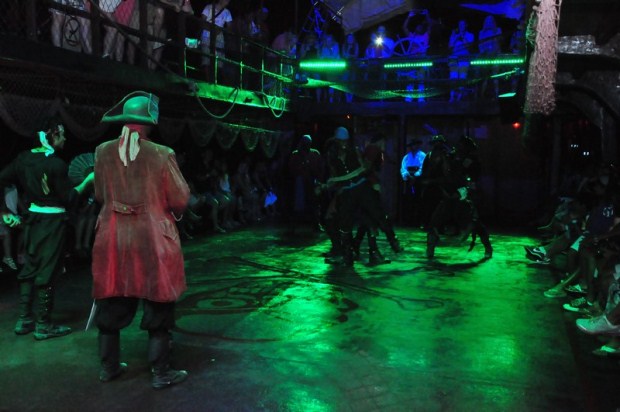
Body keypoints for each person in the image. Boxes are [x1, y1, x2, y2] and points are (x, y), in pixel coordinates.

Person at [91, 91, 190, 389]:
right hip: (152, 240)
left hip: (112, 239)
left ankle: (109, 368)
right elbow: (180, 199)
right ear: (149, 123)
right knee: (158, 303)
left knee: (111, 298)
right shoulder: (161, 153)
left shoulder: (102, 151)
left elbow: (99, 195)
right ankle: (161, 373)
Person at [0, 119, 94, 339]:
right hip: (52, 224)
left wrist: (4, 212)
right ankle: (43, 324)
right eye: (61, 134)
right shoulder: (55, 165)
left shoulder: (23, 159)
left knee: (30, 268)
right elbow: (69, 198)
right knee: (48, 271)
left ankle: (24, 319)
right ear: (51, 136)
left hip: (32, 221)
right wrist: (87, 181)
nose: (65, 138)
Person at [201, 0, 233, 83]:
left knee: (219, 60)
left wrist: (220, 30)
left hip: (219, 36)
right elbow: (202, 21)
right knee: (206, 58)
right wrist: (211, 30)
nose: (228, 2)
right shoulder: (208, 7)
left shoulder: (227, 12)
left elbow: (230, 27)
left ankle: (216, 80)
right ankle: (208, 80)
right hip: (207, 34)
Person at [400, 138, 427, 226]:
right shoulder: (407, 156)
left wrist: (416, 175)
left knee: (418, 199)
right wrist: (407, 175)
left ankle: (418, 220)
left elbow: (423, 167)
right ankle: (408, 220)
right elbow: (403, 168)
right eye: (412, 145)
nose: (413, 147)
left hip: (418, 180)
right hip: (408, 179)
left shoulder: (422, 155)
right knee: (408, 199)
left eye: (415, 144)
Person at [448, 20, 474, 102]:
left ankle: (460, 96)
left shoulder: (470, 35)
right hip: (454, 58)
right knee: (453, 77)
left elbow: (469, 47)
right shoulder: (453, 35)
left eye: (463, 24)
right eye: (460, 24)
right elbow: (450, 48)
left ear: (466, 25)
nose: (461, 26)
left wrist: (463, 37)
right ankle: (452, 96)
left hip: (464, 58)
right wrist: (455, 38)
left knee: (462, 77)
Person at [478, 15, 502, 98]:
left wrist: (494, 31)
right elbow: (480, 45)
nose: (489, 22)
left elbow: (499, 40)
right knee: (485, 76)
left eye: (490, 20)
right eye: (487, 20)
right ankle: (482, 96)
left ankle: (496, 94)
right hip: (486, 56)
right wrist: (483, 53)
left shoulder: (498, 30)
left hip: (496, 55)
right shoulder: (482, 32)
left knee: (495, 75)